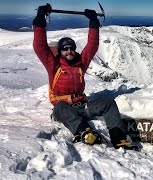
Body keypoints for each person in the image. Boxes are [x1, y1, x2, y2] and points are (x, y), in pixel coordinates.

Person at [33, 4, 139, 151]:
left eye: (71, 48)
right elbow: (40, 47)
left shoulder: (80, 63)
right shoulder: (54, 65)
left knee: (108, 103)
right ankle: (85, 132)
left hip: (82, 106)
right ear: (60, 51)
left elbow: (92, 46)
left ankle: (119, 138)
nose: (69, 51)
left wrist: (93, 22)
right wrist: (40, 19)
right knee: (60, 107)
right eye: (65, 48)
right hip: (63, 109)